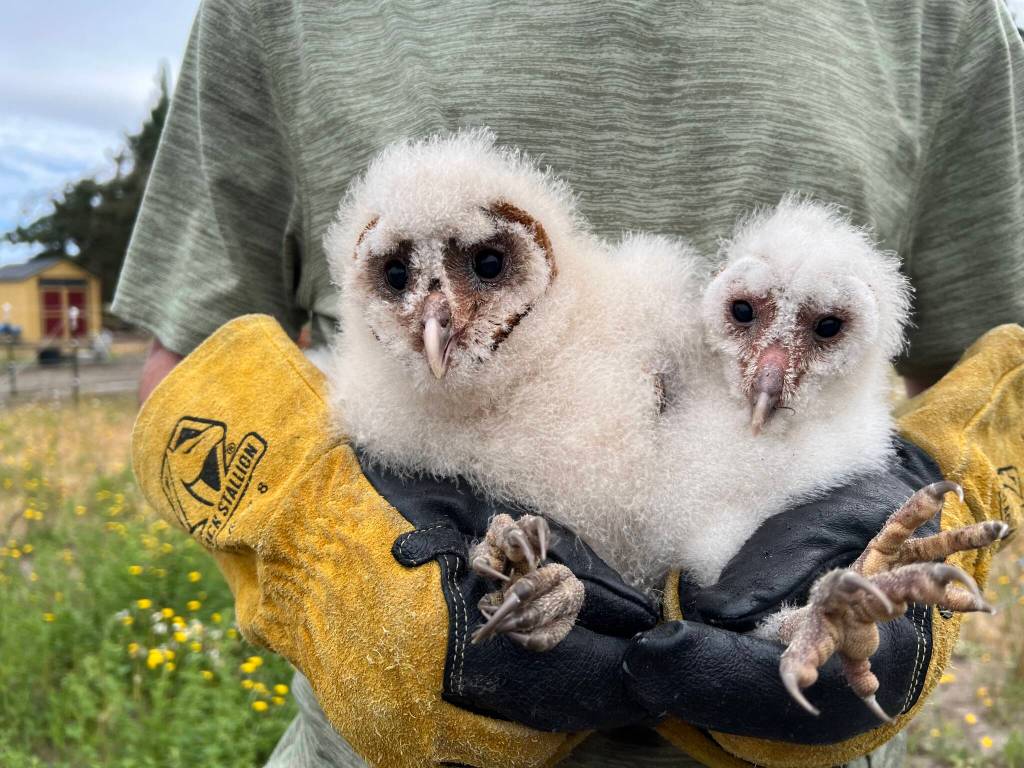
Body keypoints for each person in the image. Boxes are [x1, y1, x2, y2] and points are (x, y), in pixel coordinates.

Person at [115, 1, 1024, 766]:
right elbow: (194, 368)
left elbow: (997, 368)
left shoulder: (936, 16)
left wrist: (935, 510)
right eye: (397, 278)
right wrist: (306, 546)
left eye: (483, 265)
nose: (438, 313)